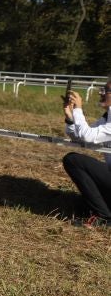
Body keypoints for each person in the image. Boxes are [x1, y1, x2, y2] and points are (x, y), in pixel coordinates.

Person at [62, 79, 111, 227]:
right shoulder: (106, 117)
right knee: (79, 205)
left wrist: (78, 109)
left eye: (106, 90)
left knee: (73, 160)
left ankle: (105, 217)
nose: (100, 93)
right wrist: (70, 117)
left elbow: (87, 136)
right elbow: (80, 137)